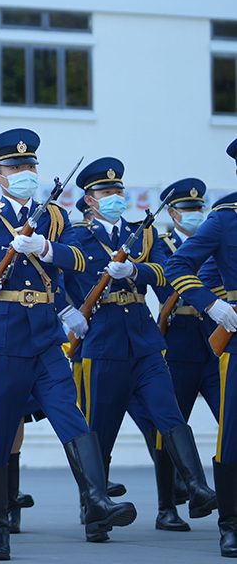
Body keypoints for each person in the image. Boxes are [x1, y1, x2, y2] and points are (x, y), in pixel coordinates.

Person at [0, 129, 137, 560]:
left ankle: (97, 500)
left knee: (70, 417)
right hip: (1, 340)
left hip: (46, 336)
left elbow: (85, 260)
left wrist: (48, 250)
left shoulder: (53, 217)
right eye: (15, 168)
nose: (25, 174)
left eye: (30, 166)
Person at [65, 158, 216, 531]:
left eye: (118, 190)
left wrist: (135, 270)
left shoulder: (143, 235)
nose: (114, 196)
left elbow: (167, 271)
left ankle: (197, 488)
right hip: (103, 342)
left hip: (146, 342)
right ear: (90, 198)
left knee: (170, 415)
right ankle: (94, 509)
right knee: (101, 430)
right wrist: (70, 312)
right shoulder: (77, 236)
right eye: (105, 191)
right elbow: (59, 275)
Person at [164, 142, 237, 557]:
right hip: (234, 333)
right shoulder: (225, 220)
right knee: (233, 433)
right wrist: (213, 303)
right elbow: (178, 265)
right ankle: (230, 523)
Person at [151, 178, 222, 531]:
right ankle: (167, 507)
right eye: (189, 209)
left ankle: (217, 499)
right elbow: (167, 280)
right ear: (174, 213)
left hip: (212, 342)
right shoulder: (162, 246)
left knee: (231, 420)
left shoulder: (214, 242)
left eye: (199, 208)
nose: (196, 214)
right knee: (171, 427)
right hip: (177, 345)